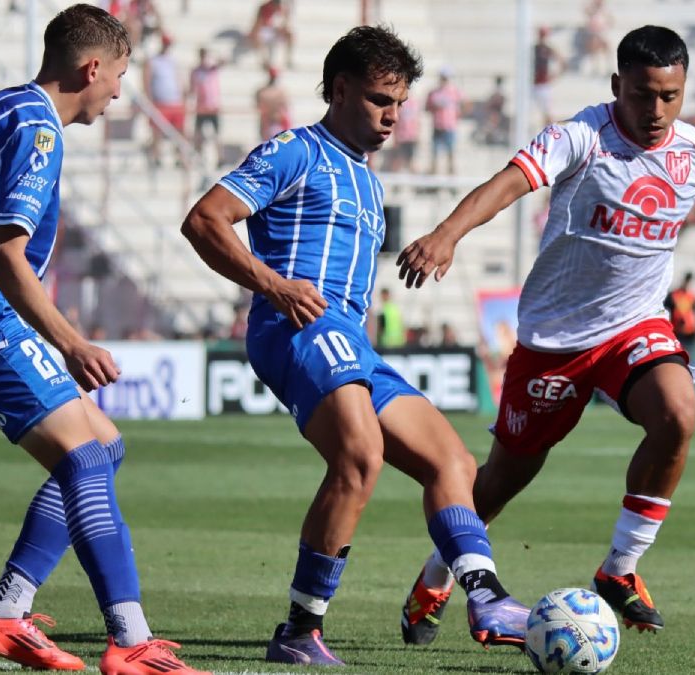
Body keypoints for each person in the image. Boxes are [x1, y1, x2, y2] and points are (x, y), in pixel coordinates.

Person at [180, 25, 529, 666]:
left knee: (452, 461)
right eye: (378, 100)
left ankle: (486, 597)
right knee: (361, 456)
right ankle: (299, 629)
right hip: (297, 327)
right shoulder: (296, 150)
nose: (393, 117)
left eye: (398, 103)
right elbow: (203, 219)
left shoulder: (368, 181)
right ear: (338, 91)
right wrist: (275, 285)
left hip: (350, 341)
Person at [395, 25, 695, 640]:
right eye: (643, 94)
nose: (656, 110)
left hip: (635, 327)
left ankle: (619, 569)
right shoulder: (580, 138)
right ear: (618, 85)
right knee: (505, 478)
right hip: (555, 342)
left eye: (670, 95)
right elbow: (507, 183)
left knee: (678, 413)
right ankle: (438, 570)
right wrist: (447, 234)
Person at [0, 6, 205, 674]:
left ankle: (8, 610)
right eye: (119, 76)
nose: (120, 92)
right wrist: (70, 341)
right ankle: (131, 640)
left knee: (103, 445)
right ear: (91, 67)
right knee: (87, 460)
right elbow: (6, 255)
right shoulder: (40, 131)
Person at [143, 34, 184, 167]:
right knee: (157, 131)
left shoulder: (172, 61)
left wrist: (182, 95)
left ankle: (179, 157)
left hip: (175, 101)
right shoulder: (153, 61)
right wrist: (149, 100)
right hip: (160, 102)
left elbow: (178, 79)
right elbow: (147, 81)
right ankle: (156, 156)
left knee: (179, 130)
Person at [426, 67, 464, 176]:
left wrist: (458, 114)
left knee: (450, 154)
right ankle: (433, 178)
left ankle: (451, 177)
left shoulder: (454, 92)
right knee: (434, 154)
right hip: (437, 126)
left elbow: (465, 103)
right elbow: (427, 107)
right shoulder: (433, 93)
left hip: (449, 127)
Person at [188, 47, 223, 161]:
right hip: (202, 107)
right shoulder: (196, 71)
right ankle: (198, 155)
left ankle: (219, 157)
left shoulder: (212, 69)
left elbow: (223, 60)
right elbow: (192, 89)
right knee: (198, 133)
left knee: (216, 134)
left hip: (213, 106)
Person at [664, 271, 695, 350]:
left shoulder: (692, 296)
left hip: (690, 331)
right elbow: (665, 311)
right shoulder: (673, 295)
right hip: (676, 331)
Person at [256, 65, 291, 141]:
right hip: (268, 123)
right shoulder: (264, 92)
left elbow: (285, 109)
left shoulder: (279, 92)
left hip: (277, 124)